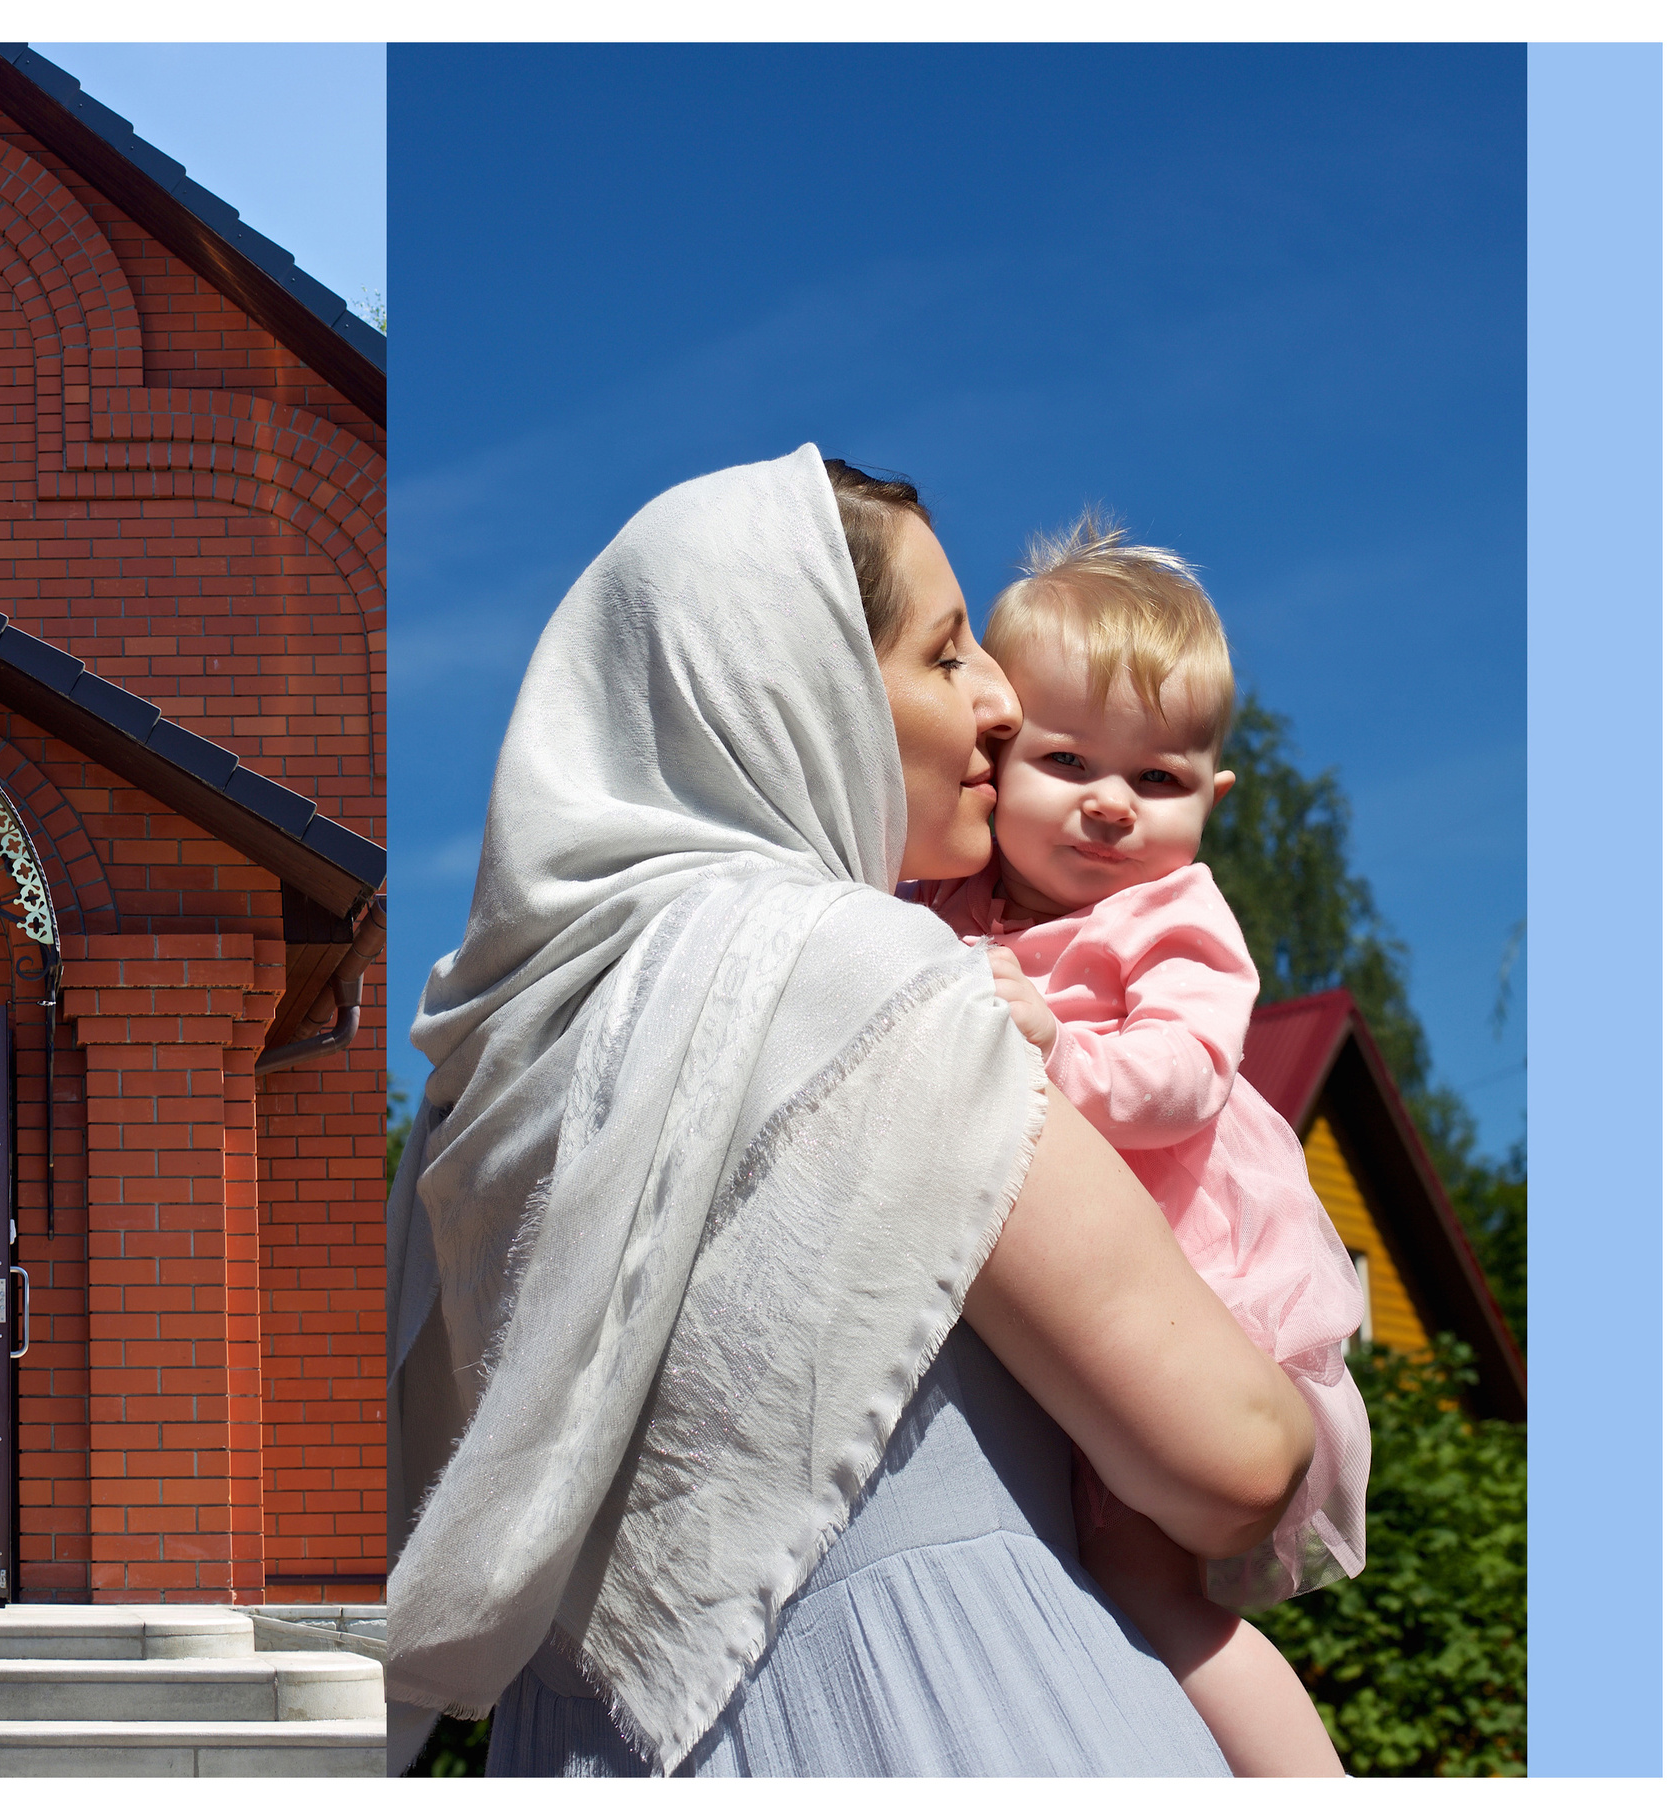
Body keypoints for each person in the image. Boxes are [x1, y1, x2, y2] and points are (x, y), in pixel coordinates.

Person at [385, 446, 1315, 1776]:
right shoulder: (866, 980)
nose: (1001, 704)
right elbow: (1234, 1459)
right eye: (947, 658)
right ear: (799, 690)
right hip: (957, 1721)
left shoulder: (495, 1064)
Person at [915, 514, 1366, 1775]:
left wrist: (1053, 1048)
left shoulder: (1174, 915)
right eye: (1066, 760)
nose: (1110, 806)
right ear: (995, 757)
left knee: (1152, 1585)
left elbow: (1179, 1081)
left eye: (1158, 780)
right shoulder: (953, 893)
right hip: (1061, 1286)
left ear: (1212, 797)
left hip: (1188, 1271)